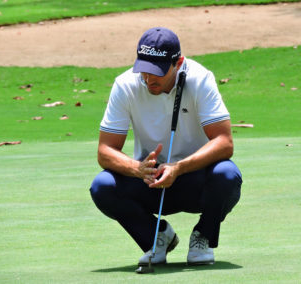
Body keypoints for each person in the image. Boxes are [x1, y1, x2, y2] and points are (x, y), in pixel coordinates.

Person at [89, 27, 242, 266]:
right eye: (144, 71)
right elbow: (105, 151)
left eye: (157, 73)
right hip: (150, 181)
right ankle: (156, 237)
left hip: (195, 179)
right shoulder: (125, 84)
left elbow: (224, 142)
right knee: (103, 186)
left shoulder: (200, 79)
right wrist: (137, 168)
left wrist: (178, 168)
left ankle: (203, 234)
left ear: (178, 62)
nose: (149, 79)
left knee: (227, 175)